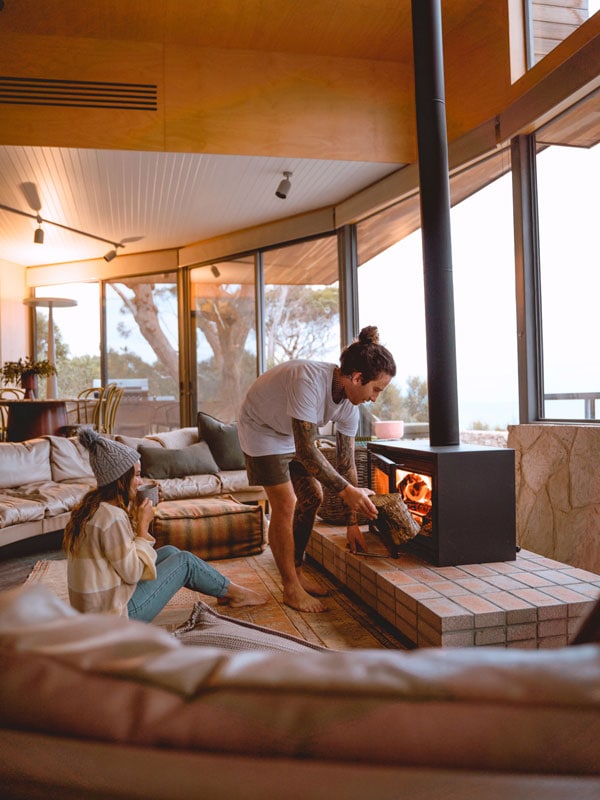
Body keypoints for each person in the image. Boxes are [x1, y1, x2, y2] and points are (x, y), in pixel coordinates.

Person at [238, 325, 397, 613]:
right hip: (260, 428)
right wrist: (347, 492)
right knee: (286, 503)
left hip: (290, 433)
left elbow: (347, 463)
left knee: (313, 497)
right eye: (375, 389)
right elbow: (307, 451)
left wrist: (352, 523)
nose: (375, 398)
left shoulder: (350, 406)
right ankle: (290, 589)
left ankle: (297, 570)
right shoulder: (308, 380)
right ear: (357, 378)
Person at [63, 427, 265, 620]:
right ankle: (237, 593)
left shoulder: (94, 509)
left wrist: (137, 512)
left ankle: (223, 591)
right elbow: (132, 572)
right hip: (115, 616)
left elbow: (120, 555)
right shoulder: (111, 517)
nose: (140, 482)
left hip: (95, 610)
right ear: (120, 479)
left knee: (170, 552)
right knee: (185, 562)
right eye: (137, 475)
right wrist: (142, 526)